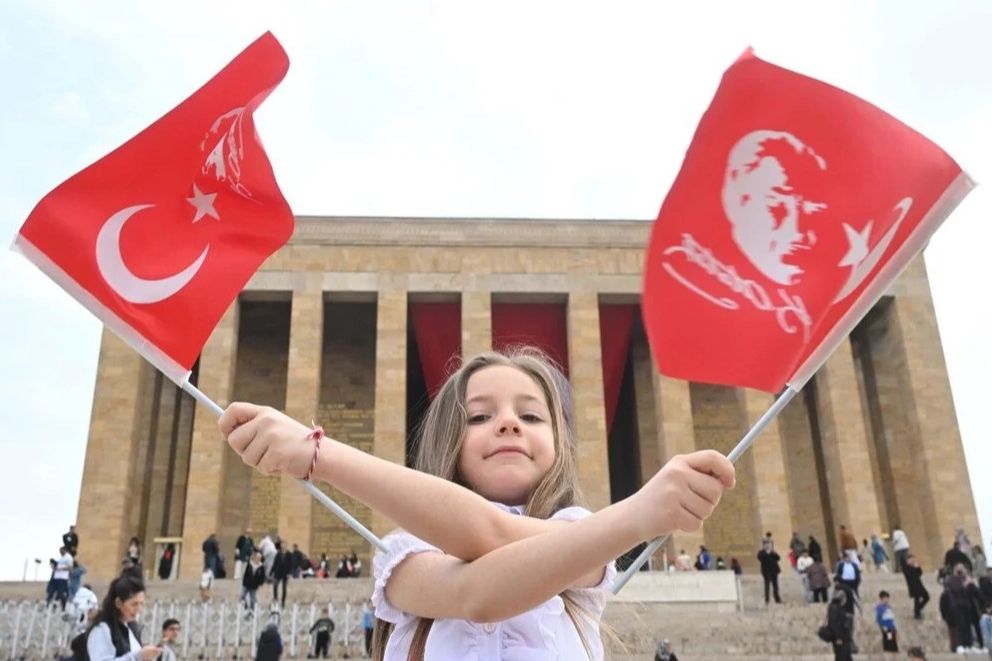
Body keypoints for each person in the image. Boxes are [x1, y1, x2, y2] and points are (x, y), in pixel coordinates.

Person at [219, 347, 736, 661]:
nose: (509, 423)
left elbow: (493, 539)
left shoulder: (577, 535)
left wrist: (317, 454)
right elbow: (478, 584)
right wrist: (636, 515)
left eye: (532, 417)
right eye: (479, 416)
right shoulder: (402, 553)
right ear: (448, 440)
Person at [84, 577, 162, 661]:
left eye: (141, 604)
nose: (139, 609)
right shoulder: (102, 630)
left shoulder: (130, 628)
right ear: (118, 603)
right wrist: (137, 657)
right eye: (134, 604)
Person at [827, 590, 852, 661]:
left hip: (843, 636)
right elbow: (834, 624)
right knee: (841, 656)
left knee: (846, 656)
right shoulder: (835, 608)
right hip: (840, 637)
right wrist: (838, 637)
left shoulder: (837, 607)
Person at [876, 590, 899, 658]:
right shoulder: (880, 608)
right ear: (882, 599)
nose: (887, 600)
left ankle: (893, 650)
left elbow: (891, 617)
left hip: (891, 626)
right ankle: (889, 650)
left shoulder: (888, 607)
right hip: (886, 627)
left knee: (892, 638)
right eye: (885, 599)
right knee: (889, 639)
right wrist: (882, 626)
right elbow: (878, 618)